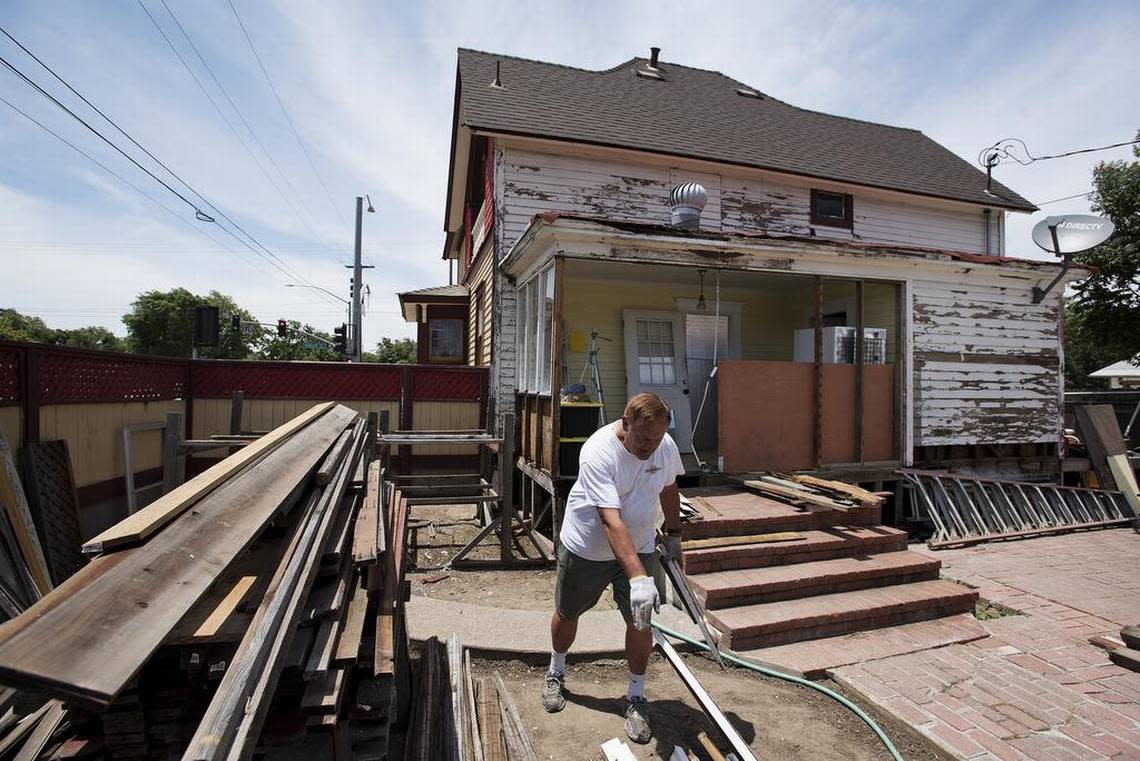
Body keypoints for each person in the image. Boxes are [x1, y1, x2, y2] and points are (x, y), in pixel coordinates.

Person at [542, 392, 686, 744]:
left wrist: (675, 532)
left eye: (656, 439)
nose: (650, 447)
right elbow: (610, 520)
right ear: (625, 423)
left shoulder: (663, 445)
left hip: (638, 546)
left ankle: (636, 695)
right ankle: (556, 670)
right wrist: (639, 577)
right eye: (642, 438)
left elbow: (669, 486)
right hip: (587, 549)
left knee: (641, 621)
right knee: (568, 611)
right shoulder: (597, 452)